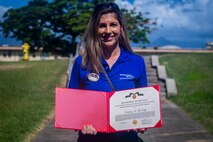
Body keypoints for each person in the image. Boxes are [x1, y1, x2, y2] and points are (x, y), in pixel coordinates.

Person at [68, 2, 148, 142]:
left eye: (113, 24)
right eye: (102, 26)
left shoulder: (137, 62)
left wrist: (143, 123)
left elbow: (143, 106)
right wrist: (80, 123)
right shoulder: (81, 62)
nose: (108, 31)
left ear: (121, 28)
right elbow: (71, 108)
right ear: (95, 29)